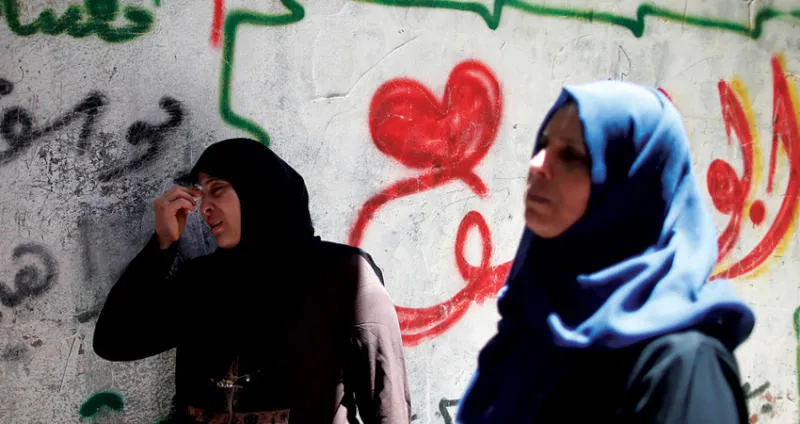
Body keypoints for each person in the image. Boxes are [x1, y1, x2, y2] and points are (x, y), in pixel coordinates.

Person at [456, 81, 756, 423]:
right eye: (543, 144)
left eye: (571, 155)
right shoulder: (534, 330)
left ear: (633, 190)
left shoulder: (681, 368)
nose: (538, 164)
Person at [93, 138, 411, 424]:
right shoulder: (202, 280)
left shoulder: (342, 275)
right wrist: (162, 246)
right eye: (201, 193)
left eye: (217, 189)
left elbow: (386, 405)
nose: (204, 207)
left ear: (259, 191)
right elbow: (114, 341)